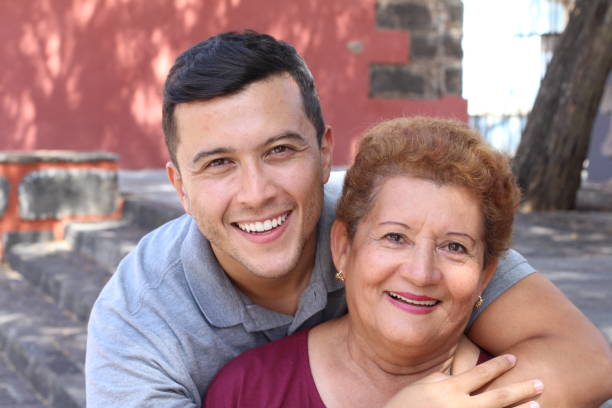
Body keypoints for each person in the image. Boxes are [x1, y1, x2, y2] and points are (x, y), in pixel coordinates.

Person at [85, 30, 612, 407]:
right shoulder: (137, 320)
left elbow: (585, 357)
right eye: (220, 163)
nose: (257, 193)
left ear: (324, 153)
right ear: (179, 186)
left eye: (280, 150)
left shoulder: (390, 219)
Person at [204, 116, 543, 407]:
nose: (421, 273)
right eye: (395, 238)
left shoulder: (522, 399)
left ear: (485, 275)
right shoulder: (247, 389)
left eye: (454, 247)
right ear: (343, 249)